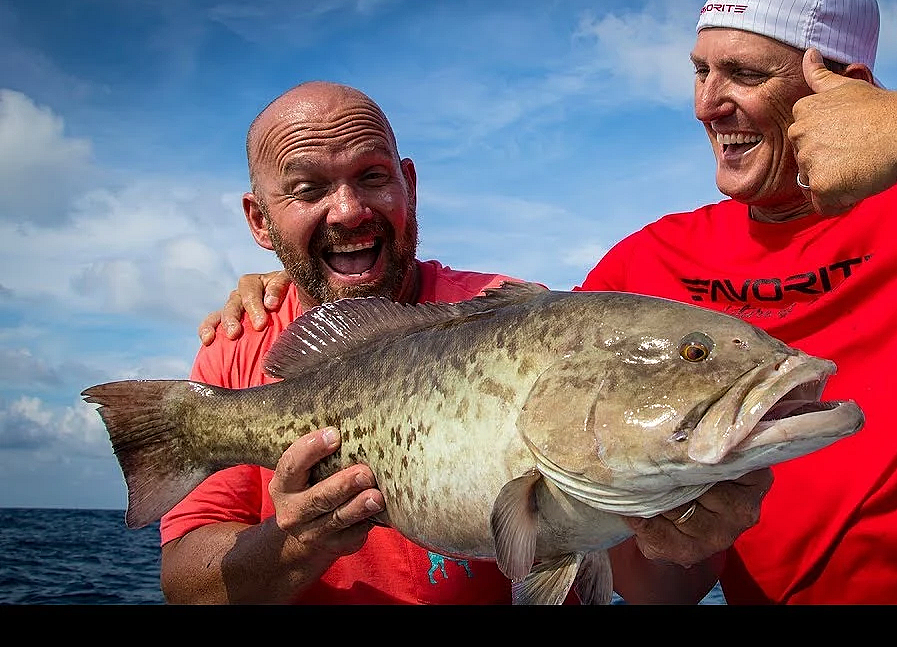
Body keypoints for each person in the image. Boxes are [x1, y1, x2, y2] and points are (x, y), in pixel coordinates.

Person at [201, 0, 897, 604]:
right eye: (698, 72)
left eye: (743, 74)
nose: (708, 103)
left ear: (840, 82)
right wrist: (676, 551)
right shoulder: (636, 274)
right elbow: (650, 577)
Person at [164, 80, 763, 604]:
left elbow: (656, 590)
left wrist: (685, 532)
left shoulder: (518, 320)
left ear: (410, 186)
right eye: (307, 189)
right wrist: (292, 544)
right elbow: (187, 586)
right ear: (259, 221)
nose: (348, 211)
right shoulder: (237, 345)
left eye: (372, 177)